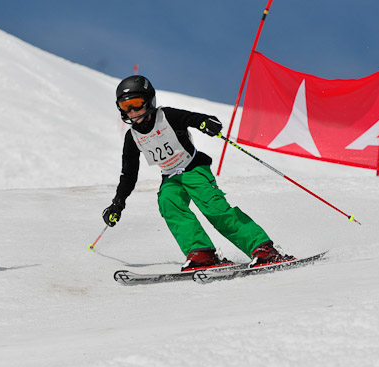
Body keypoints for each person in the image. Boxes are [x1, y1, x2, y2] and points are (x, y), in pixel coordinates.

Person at [103, 75, 292, 271]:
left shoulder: (166, 116)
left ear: (149, 100)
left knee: (214, 208)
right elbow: (128, 175)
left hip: (194, 168)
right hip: (171, 177)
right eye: (126, 106)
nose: (132, 111)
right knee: (168, 202)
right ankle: (202, 253)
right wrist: (118, 203)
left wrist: (206, 123)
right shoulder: (132, 137)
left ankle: (262, 248)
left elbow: (192, 118)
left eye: (136, 103)